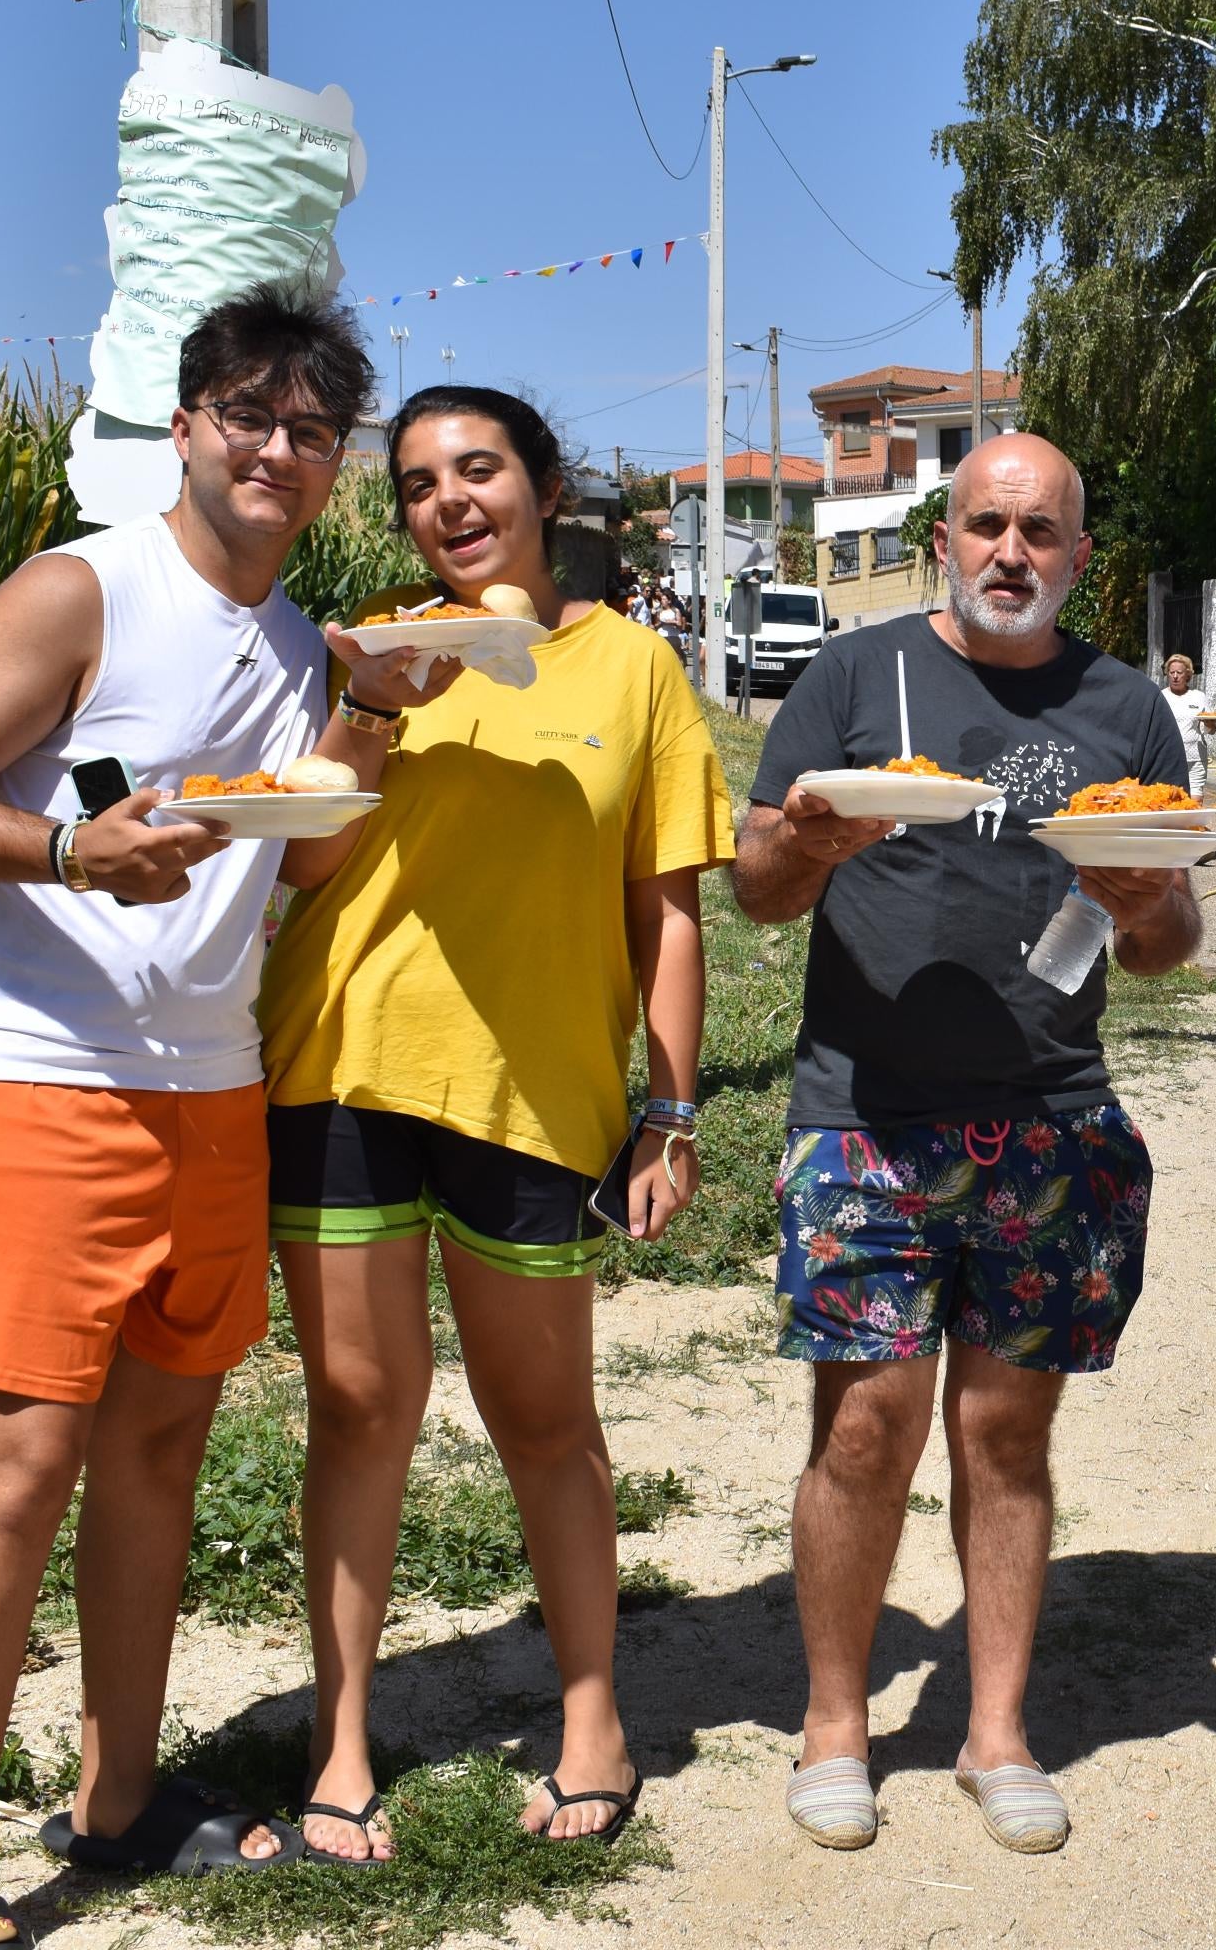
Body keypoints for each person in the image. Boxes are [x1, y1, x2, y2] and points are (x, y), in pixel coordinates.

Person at [0, 285, 396, 1949]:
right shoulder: (83, 589)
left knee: (160, 1453)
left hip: (209, 1092)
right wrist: (70, 849)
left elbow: (301, 858)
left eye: (310, 431)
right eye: (250, 414)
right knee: (10, 1474)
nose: (277, 451)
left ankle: (111, 1800)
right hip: (30, 1079)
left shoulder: (302, 644)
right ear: (187, 425)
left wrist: (373, 715)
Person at [252, 385, 734, 1861]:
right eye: (416, 484)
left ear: (539, 486)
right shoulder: (371, 649)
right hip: (340, 1063)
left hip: (536, 1093)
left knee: (545, 1420)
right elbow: (308, 866)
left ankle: (592, 1715)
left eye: (478, 470)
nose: (448, 502)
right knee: (357, 1407)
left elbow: (667, 912)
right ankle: (341, 1749)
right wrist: (367, 715)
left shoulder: (635, 667)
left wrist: (669, 1112)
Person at [731, 433, 1201, 1856]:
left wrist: (1135, 899)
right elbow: (754, 887)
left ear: (1077, 555)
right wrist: (814, 844)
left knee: (1006, 1433)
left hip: (1051, 1121)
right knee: (864, 1428)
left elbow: (1176, 941)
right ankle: (835, 1722)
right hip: (867, 1115)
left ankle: (996, 1730)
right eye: (988, 524)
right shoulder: (852, 678)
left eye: (1041, 531)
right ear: (946, 537)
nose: (1012, 552)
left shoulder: (1126, 709)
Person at [1159, 652, 1213, 796]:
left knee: (1195, 803)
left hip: (1195, 759)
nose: (1175, 676)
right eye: (1172, 672)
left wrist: (1210, 724)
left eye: (1179, 672)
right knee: (1172, 802)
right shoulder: (1161, 697)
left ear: (1187, 675)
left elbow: (1209, 730)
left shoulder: (1198, 697)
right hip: (1170, 759)